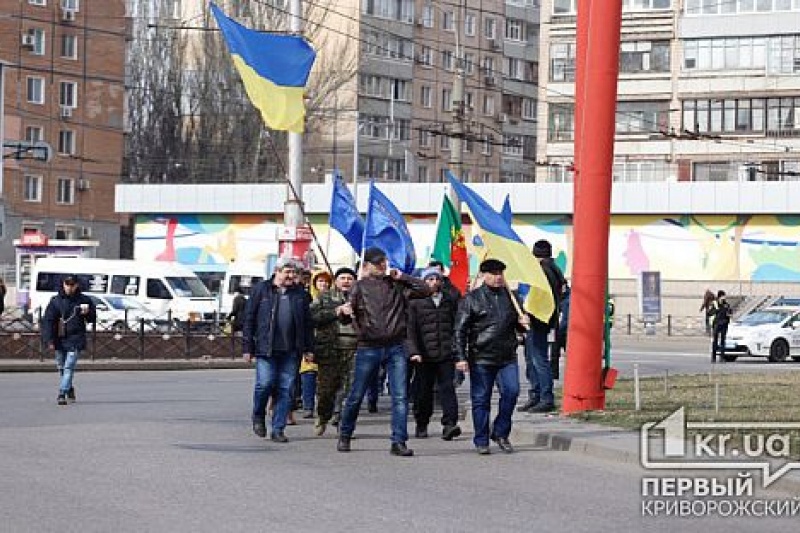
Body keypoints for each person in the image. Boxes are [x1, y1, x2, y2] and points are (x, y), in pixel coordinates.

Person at [336, 247, 430, 457]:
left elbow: (426, 290)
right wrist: (343, 312)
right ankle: (345, 433)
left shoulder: (397, 285)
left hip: (395, 346)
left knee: (400, 396)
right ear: (367, 265)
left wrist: (404, 276)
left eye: (384, 262)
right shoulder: (358, 287)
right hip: (368, 346)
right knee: (356, 394)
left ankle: (399, 441)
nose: (382, 266)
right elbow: (346, 315)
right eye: (377, 263)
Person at [454, 259, 529, 455]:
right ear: (484, 275)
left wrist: (523, 322)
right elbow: (459, 331)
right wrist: (460, 357)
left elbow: (519, 325)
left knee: (512, 392)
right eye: (493, 273)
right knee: (481, 399)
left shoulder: (511, 297)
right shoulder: (472, 299)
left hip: (507, 356)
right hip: (481, 357)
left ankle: (501, 432)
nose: (497, 277)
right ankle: (481, 439)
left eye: (500, 273)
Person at [242, 258, 314, 443]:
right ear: (277, 271)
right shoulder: (262, 289)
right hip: (266, 348)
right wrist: (247, 347)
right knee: (264, 384)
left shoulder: (300, 294)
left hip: (291, 350)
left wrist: (308, 348)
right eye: (287, 272)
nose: (290, 276)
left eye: (294, 273)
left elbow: (307, 324)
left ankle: (278, 428)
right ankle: (258, 415)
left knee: (286, 388)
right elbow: (249, 319)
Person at [407, 267, 462, 441]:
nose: (434, 282)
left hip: (445, 353)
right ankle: (422, 422)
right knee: (424, 391)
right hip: (423, 355)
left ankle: (449, 424)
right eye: (429, 279)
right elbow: (410, 330)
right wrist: (414, 351)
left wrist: (457, 350)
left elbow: (456, 326)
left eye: (436, 279)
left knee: (448, 388)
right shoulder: (415, 302)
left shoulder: (448, 300)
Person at [310, 267, 359, 436]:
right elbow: (312, 318)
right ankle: (323, 415)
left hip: (354, 349)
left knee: (350, 389)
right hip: (330, 349)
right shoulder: (325, 297)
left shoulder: (362, 298)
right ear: (336, 281)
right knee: (326, 390)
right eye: (342, 278)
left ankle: (342, 421)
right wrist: (336, 311)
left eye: (350, 278)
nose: (346, 281)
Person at [519, 239, 566, 414]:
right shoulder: (554, 269)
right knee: (534, 359)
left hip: (539, 320)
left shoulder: (543, 271)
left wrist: (527, 313)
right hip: (546, 320)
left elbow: (538, 298)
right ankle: (536, 395)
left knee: (538, 360)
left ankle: (545, 398)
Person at [41, 274, 96, 405]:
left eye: (72, 284)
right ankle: (69, 388)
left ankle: (62, 392)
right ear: (63, 284)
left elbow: (92, 319)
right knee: (61, 366)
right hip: (59, 337)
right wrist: (49, 340)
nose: (69, 287)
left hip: (76, 337)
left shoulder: (84, 300)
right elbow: (48, 321)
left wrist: (87, 313)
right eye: (67, 284)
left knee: (69, 366)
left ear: (77, 285)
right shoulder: (56, 301)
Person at [710, 290, 732, 363]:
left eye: (724, 296)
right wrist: (716, 310)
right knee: (715, 341)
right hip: (717, 324)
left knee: (723, 341)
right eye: (723, 296)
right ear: (720, 296)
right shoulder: (715, 304)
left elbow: (730, 312)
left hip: (724, 324)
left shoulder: (727, 304)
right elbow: (709, 313)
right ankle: (713, 357)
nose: (724, 297)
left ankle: (722, 357)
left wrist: (729, 315)